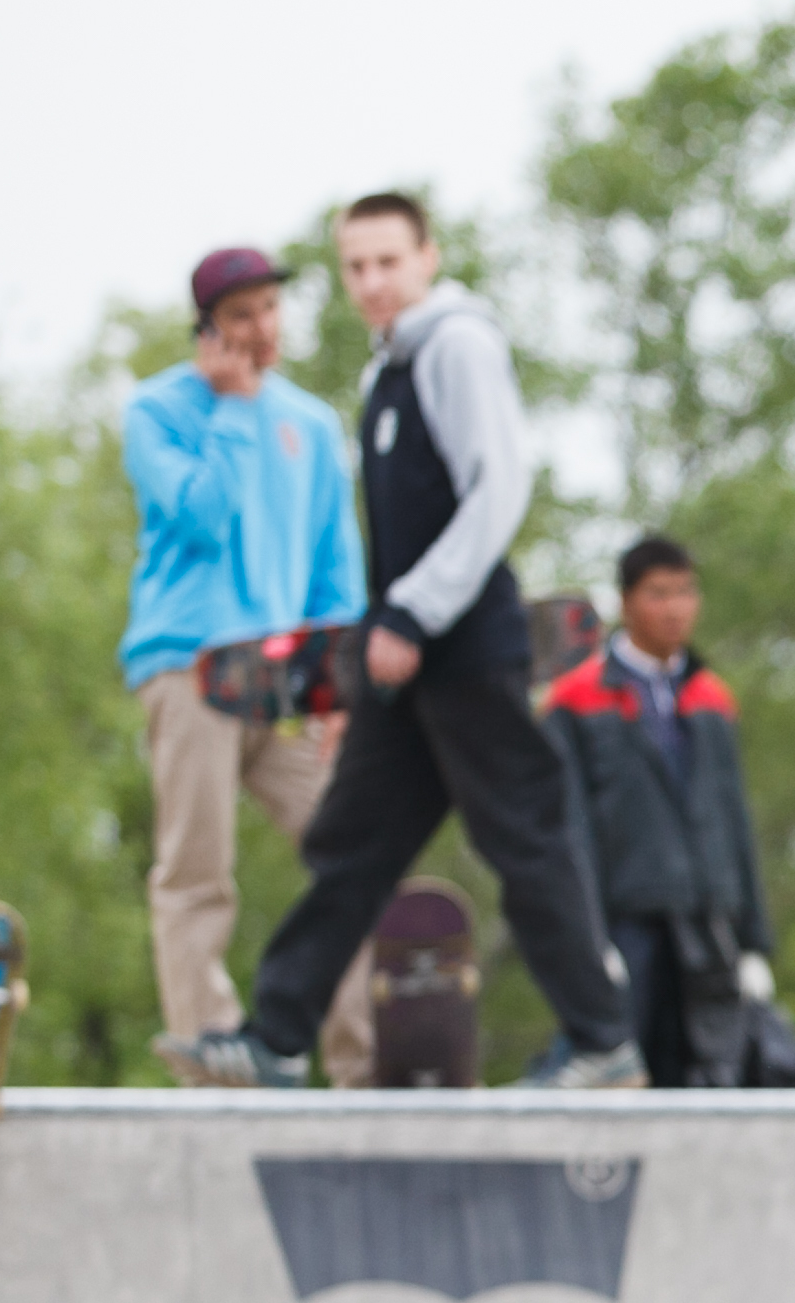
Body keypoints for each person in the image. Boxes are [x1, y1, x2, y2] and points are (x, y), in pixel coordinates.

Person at [159, 195, 642, 1090]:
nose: (373, 282)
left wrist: (415, 612)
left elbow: (498, 491)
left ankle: (603, 1039)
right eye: (356, 267)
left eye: (388, 261)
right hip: (403, 660)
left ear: (427, 257)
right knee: (353, 842)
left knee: (524, 838)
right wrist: (390, 628)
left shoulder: (457, 345)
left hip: (462, 647)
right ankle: (276, 1038)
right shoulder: (390, 371)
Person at [123, 247, 375, 1087]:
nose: (262, 329)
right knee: (198, 867)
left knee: (349, 848)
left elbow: (337, 570)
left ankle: (362, 1061)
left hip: (283, 680)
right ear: (208, 331)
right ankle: (213, 1051)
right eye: (242, 317)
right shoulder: (159, 411)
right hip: (190, 664)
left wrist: (342, 691)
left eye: (270, 310)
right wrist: (230, 409)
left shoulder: (311, 422)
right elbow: (201, 514)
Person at [545, 535, 778, 1086]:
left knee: (713, 1080)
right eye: (658, 593)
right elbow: (568, 829)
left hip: (707, 929)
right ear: (626, 602)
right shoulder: (576, 699)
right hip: (627, 925)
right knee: (615, 1075)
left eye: (685, 592)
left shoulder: (712, 699)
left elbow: (735, 823)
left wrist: (753, 943)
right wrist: (588, 940)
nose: (675, 608)